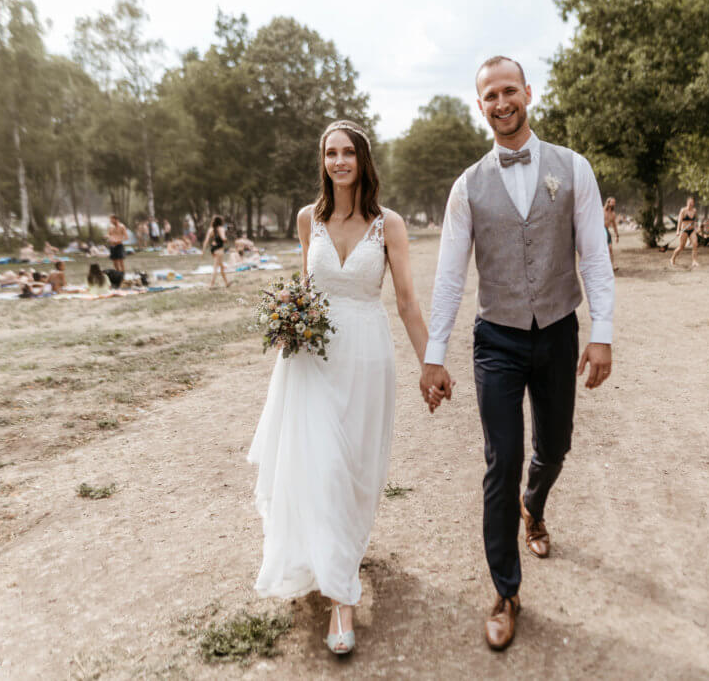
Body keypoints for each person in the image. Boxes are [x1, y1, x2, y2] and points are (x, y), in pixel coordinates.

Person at [419, 56, 614, 652]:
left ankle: (537, 503)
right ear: (479, 105)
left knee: (553, 447)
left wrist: (601, 332)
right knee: (500, 460)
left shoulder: (573, 168)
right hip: (497, 339)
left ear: (528, 93)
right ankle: (505, 590)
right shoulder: (467, 186)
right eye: (490, 96)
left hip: (557, 331)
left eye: (510, 91)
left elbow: (595, 258)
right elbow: (451, 277)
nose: (502, 103)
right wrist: (434, 354)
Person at [247, 120, 433, 656]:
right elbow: (307, 288)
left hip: (368, 357)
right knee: (321, 466)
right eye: (330, 153)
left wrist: (430, 365)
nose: (339, 161)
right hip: (312, 360)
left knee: (355, 471)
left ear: (362, 160)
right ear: (323, 160)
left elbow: (406, 303)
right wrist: (288, 320)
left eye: (348, 152)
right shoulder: (309, 220)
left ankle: (340, 556)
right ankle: (341, 598)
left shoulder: (388, 224)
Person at [200, 216, 232, 288]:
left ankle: (227, 283)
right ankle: (211, 285)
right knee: (216, 268)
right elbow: (223, 239)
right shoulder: (221, 228)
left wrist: (203, 251)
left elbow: (206, 241)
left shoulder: (211, 229)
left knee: (221, 267)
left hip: (213, 249)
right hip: (219, 250)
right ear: (221, 222)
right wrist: (227, 238)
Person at [670, 196, 701, 267]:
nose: (691, 204)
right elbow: (679, 221)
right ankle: (672, 258)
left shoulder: (694, 211)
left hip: (692, 230)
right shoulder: (683, 210)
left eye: (692, 202)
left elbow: (696, 219)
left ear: (693, 203)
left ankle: (694, 261)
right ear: (687, 203)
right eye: (689, 202)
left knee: (695, 244)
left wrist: (696, 226)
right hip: (684, 231)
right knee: (681, 247)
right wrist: (678, 231)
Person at [603, 197, 620, 271]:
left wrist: (617, 235)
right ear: (608, 203)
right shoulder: (601, 211)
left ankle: (612, 266)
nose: (614, 204)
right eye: (612, 202)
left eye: (614, 202)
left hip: (606, 231)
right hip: (600, 231)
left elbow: (614, 225)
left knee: (610, 249)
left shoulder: (613, 214)